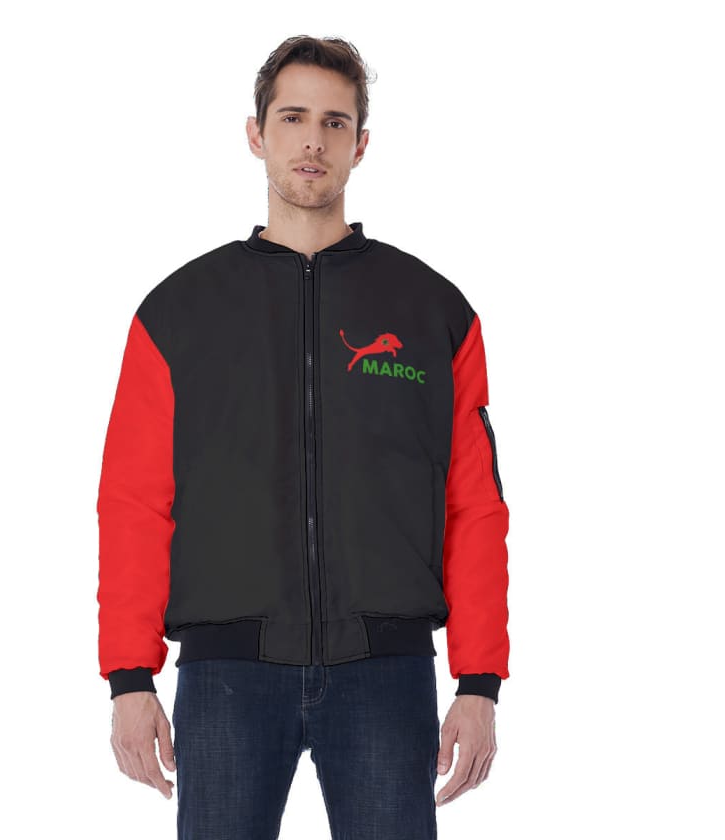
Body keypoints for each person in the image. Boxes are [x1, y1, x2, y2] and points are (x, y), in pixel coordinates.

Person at [97, 35, 510, 839]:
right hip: (227, 675)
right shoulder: (178, 314)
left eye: (333, 122)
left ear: (362, 143)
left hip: (386, 674)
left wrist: (479, 681)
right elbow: (134, 502)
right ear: (256, 135)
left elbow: (474, 505)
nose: (312, 140)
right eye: (292, 118)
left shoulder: (432, 311)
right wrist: (129, 675)